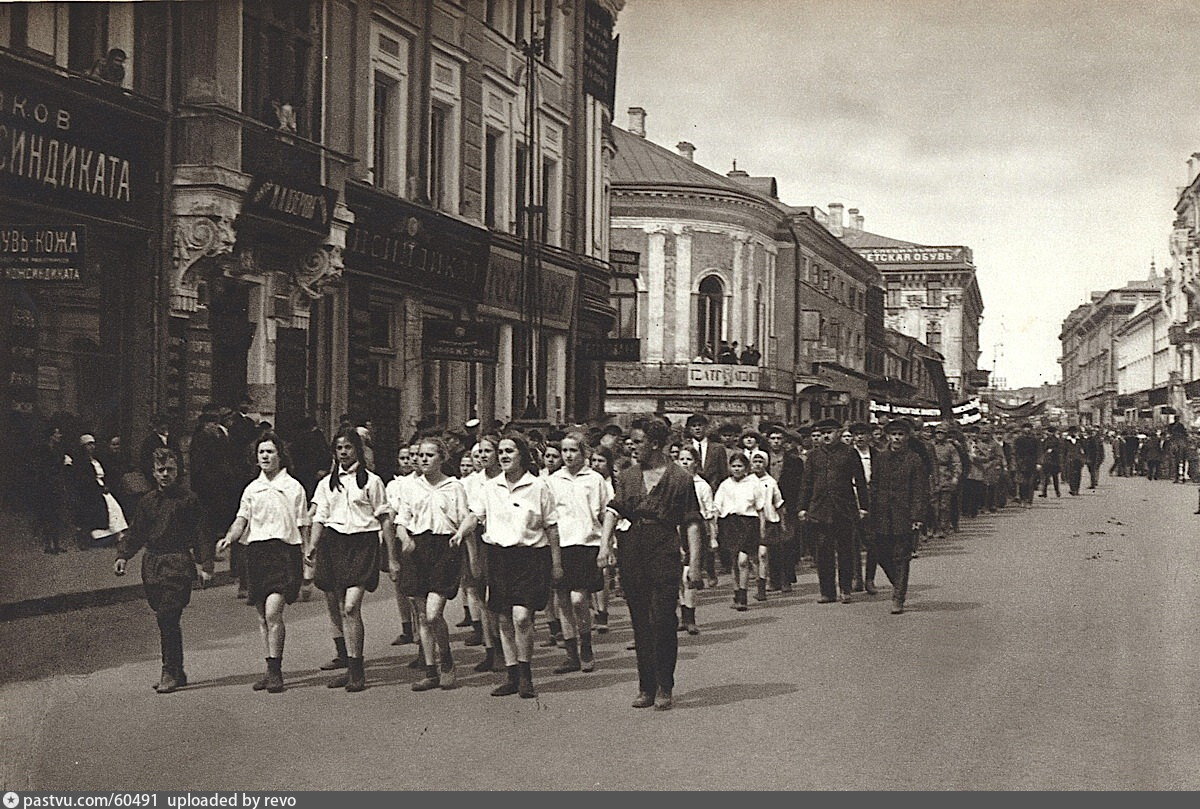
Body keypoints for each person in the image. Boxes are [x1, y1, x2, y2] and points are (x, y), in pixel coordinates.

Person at [598, 418, 703, 711]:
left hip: (664, 549)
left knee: (663, 620)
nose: (632, 446)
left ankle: (665, 686)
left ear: (655, 444)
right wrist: (605, 545)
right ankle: (646, 686)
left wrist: (695, 565)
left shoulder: (680, 478)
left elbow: (692, 523)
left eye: (638, 441)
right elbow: (613, 510)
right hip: (633, 550)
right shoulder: (629, 476)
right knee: (640, 622)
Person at [453, 434, 562, 699]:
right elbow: (475, 515)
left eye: (509, 451)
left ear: (522, 455)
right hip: (499, 557)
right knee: (503, 616)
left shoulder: (538, 486)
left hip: (530, 557)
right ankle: (512, 675)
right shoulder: (490, 488)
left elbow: (552, 526)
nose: (503, 456)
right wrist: (460, 532)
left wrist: (557, 564)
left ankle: (526, 675)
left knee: (522, 617)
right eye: (500, 451)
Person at [216, 433, 310, 693]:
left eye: (270, 452)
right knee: (261, 617)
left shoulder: (294, 488)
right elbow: (241, 520)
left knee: (273, 613)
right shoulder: (252, 489)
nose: (266, 457)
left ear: (280, 455)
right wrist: (228, 538)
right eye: (261, 453)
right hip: (256, 554)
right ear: (256, 458)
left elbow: (303, 526)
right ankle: (270, 669)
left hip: (284, 553)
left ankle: (276, 670)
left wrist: (308, 558)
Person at [310, 427, 396, 693]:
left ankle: (357, 671)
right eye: (339, 448)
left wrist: (392, 558)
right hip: (334, 544)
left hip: (363, 544)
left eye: (348, 447)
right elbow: (319, 517)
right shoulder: (326, 483)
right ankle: (349, 667)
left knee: (350, 606)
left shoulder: (372, 481)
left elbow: (384, 519)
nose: (344, 452)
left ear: (358, 449)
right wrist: (312, 545)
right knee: (337, 604)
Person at [113, 447, 202, 693]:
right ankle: (178, 670)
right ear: (153, 473)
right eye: (160, 470)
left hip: (178, 564)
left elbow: (199, 532)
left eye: (170, 469)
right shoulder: (147, 502)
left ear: (178, 471)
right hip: (152, 565)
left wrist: (205, 564)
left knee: (167, 616)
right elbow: (136, 532)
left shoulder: (188, 500)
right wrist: (123, 555)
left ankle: (169, 671)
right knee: (164, 618)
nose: (165, 474)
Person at [394, 437, 469, 692]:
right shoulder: (410, 487)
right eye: (420, 455)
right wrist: (404, 537)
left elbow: (466, 517)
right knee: (422, 616)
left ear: (442, 458)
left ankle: (446, 660)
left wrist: (460, 534)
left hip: (444, 548)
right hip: (417, 548)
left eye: (429, 455)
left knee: (434, 612)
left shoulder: (454, 487)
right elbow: (401, 520)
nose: (423, 459)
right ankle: (430, 671)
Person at [546, 431, 611, 673]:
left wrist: (607, 545)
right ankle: (571, 654)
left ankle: (586, 643)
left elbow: (606, 514)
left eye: (573, 450)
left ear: (584, 453)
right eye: (565, 451)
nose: (568, 455)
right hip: (561, 546)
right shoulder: (552, 481)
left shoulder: (595, 480)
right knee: (563, 601)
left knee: (579, 599)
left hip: (587, 545)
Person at [797, 418, 869, 604]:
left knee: (845, 551)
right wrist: (803, 508)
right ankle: (827, 591)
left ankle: (845, 589)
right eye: (823, 433)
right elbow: (806, 484)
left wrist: (863, 507)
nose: (826, 436)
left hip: (844, 509)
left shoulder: (849, 453)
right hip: (820, 510)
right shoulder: (814, 456)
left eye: (830, 432)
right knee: (823, 552)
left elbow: (860, 482)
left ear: (839, 432)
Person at [868, 419, 930, 615]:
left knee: (901, 557)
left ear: (907, 437)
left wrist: (917, 517)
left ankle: (898, 598)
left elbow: (920, 490)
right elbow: (874, 486)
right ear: (888, 436)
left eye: (901, 434)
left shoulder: (914, 460)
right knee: (881, 554)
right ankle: (898, 583)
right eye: (893, 434)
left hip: (904, 514)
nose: (897, 438)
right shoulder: (880, 458)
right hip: (882, 514)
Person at [459, 438, 503, 670]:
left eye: (488, 451)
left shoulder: (506, 478)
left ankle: (507, 649)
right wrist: (472, 554)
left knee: (499, 599)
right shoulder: (470, 483)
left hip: (502, 541)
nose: (484, 456)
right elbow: (469, 516)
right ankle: (491, 650)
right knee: (480, 597)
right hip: (476, 541)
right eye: (480, 452)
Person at [713, 452, 765, 610]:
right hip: (729, 524)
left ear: (746, 468)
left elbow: (760, 507)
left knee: (743, 560)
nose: (736, 469)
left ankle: (743, 597)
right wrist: (715, 527)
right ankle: (736, 591)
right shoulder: (725, 485)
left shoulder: (754, 483)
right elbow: (717, 506)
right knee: (733, 561)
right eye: (734, 466)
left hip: (748, 523)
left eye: (740, 466)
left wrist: (762, 528)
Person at [676, 445, 715, 634]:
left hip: (695, 531)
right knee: (677, 576)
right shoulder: (672, 483)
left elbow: (709, 514)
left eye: (688, 459)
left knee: (689, 574)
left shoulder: (702, 486)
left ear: (696, 463)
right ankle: (682, 613)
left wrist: (713, 537)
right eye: (681, 459)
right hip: (675, 530)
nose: (684, 462)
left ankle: (690, 617)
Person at [74, 434, 129, 549]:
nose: (92, 447)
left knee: (114, 507)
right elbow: (85, 479)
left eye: (93, 444)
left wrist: (106, 484)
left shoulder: (96, 460)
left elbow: (105, 473)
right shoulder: (82, 462)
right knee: (107, 507)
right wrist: (98, 488)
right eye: (89, 444)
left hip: (102, 486)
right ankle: (99, 537)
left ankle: (117, 533)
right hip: (91, 490)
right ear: (83, 447)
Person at [749, 449, 784, 601]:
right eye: (755, 461)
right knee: (753, 556)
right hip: (751, 521)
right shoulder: (747, 481)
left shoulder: (770, 482)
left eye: (761, 462)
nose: (758, 465)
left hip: (769, 521)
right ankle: (758, 580)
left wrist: (782, 522)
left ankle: (762, 587)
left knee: (763, 554)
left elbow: (778, 502)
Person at [589, 445, 618, 632]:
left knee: (604, 573)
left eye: (601, 461)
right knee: (591, 575)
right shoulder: (590, 482)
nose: (597, 464)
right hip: (591, 533)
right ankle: (594, 611)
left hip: (610, 533)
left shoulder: (613, 484)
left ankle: (602, 611)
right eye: (594, 461)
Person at [848, 423, 878, 593]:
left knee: (872, 541)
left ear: (869, 436)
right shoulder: (847, 454)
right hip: (851, 500)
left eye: (863, 433)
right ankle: (856, 578)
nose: (859, 437)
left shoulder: (877, 455)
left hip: (872, 501)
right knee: (852, 541)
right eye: (856, 434)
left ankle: (870, 579)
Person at [33, 425, 70, 554]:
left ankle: (56, 544)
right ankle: (48, 545)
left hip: (56, 485)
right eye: (57, 433)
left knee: (56, 515)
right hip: (47, 487)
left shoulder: (57, 449)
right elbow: (46, 468)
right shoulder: (44, 449)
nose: (60, 436)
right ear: (51, 435)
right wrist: (62, 461)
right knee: (48, 515)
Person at [1012, 423, 1040, 508]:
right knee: (1022, 483)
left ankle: (1029, 501)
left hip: (1032, 463)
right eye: (1025, 428)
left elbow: (1039, 452)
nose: (1027, 430)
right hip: (1021, 463)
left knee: (1031, 483)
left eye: (1029, 428)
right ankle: (1022, 499)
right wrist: (1015, 463)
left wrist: (1039, 463)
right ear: (1022, 429)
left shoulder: (1035, 440)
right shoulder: (1018, 440)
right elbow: (1014, 452)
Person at [1039, 426, 1063, 498]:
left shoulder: (1054, 440)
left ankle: (1054, 492)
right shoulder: (1048, 439)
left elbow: (1059, 449)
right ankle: (1050, 492)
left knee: (1051, 477)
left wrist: (1052, 450)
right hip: (1050, 461)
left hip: (1052, 461)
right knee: (1049, 477)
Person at [1062, 426, 1087, 496]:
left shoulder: (1080, 440)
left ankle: (1077, 489)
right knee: (1071, 475)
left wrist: (1083, 458)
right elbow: (1063, 451)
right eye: (1072, 432)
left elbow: (1084, 449)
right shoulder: (1066, 441)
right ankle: (1072, 489)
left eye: (1075, 432)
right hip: (1069, 460)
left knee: (1078, 475)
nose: (1074, 433)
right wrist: (1064, 460)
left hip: (1078, 460)